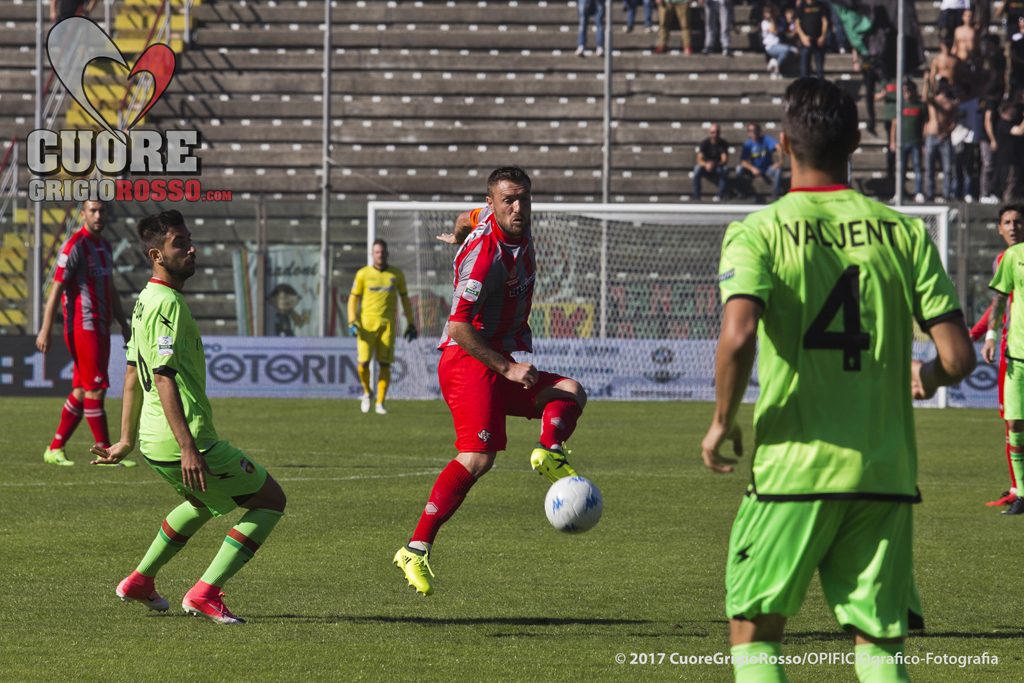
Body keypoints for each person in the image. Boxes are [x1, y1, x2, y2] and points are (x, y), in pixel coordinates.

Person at [702, 77, 975, 682]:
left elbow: (739, 334)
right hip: (884, 473)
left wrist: (722, 420)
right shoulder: (903, 232)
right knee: (877, 647)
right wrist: (926, 380)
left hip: (793, 470)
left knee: (755, 634)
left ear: (781, 144)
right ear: (856, 139)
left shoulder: (760, 230)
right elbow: (958, 358)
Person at [393, 166, 588, 597]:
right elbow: (459, 326)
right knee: (478, 457)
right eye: (508, 201)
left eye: (524, 199)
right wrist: (509, 369)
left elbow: (468, 217)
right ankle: (414, 548)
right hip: (468, 360)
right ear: (494, 203)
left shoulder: (494, 219)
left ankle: (549, 451)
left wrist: (455, 231)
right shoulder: (486, 257)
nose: (518, 208)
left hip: (496, 358)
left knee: (570, 392)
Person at [91, 210, 287, 624]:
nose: (191, 248)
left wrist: (125, 440)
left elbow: (131, 372)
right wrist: (188, 447)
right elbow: (161, 376)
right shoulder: (168, 304)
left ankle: (141, 580)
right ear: (156, 255)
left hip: (150, 441)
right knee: (270, 501)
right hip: (186, 438)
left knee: (199, 502)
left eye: (189, 239)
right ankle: (205, 593)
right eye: (180, 243)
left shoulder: (145, 299)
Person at [36, 200, 131, 467]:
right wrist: (45, 329)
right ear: (83, 214)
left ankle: (54, 448)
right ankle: (107, 452)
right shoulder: (74, 245)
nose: (98, 215)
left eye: (102, 210)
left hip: (101, 326)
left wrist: (123, 323)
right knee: (95, 390)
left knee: (81, 389)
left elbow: (110, 288)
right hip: (82, 326)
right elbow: (55, 289)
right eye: (93, 211)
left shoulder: (105, 246)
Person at [970, 205, 1024, 508]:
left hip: (1013, 347)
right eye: (1007, 222)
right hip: (1012, 350)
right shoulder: (1006, 260)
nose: (1013, 227)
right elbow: (998, 304)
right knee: (1012, 421)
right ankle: (1018, 487)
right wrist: (982, 336)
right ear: (999, 228)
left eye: (1018, 222)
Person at [347, 239, 418, 415]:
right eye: (377, 252)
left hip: (387, 325)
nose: (380, 255)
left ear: (387, 253)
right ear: (372, 254)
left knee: (384, 365)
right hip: (366, 326)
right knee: (363, 363)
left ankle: (380, 403)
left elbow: (405, 300)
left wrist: (410, 323)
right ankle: (366, 392)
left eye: (383, 252)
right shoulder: (363, 274)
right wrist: (351, 321)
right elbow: (353, 298)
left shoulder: (395, 274)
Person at [890, 79, 927, 202]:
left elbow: (925, 124)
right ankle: (899, 192)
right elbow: (894, 125)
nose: (907, 93)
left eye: (910, 90)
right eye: (905, 91)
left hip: (916, 141)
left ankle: (919, 192)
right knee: (901, 168)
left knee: (917, 167)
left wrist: (924, 142)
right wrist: (893, 141)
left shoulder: (920, 105)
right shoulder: (900, 105)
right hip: (902, 142)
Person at [923, 82, 958, 202]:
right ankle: (929, 193)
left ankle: (946, 193)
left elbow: (954, 121)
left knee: (947, 168)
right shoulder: (933, 102)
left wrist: (946, 132)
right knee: (929, 167)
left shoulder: (950, 104)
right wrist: (927, 81)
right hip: (931, 136)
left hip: (944, 138)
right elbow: (926, 97)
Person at [736, 122, 783, 201]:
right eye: (750, 131)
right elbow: (743, 161)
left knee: (778, 170)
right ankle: (741, 193)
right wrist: (752, 169)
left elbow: (779, 147)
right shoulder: (748, 144)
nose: (753, 133)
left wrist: (780, 162)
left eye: (755, 130)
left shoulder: (766, 139)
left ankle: (775, 194)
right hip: (754, 170)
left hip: (767, 169)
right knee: (739, 169)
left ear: (759, 131)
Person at [692, 123, 730, 201]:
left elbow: (724, 160)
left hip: (717, 167)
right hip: (705, 167)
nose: (715, 134)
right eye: (713, 132)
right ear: (709, 133)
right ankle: (696, 196)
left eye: (717, 132)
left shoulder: (723, 144)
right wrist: (706, 164)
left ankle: (720, 195)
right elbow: (699, 159)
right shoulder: (704, 143)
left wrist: (714, 164)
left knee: (725, 170)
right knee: (696, 169)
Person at [761, 4, 798, 75]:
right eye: (766, 13)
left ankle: (774, 62)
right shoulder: (764, 23)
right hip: (770, 46)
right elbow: (774, 30)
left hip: (777, 45)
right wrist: (772, 20)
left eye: (769, 13)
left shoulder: (776, 21)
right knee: (788, 49)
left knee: (792, 51)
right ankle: (775, 66)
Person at [795, 0, 828, 80]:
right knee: (804, 70)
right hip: (805, 41)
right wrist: (803, 37)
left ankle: (821, 89)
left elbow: (825, 21)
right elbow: (797, 23)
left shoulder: (821, 5)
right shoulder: (802, 5)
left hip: (818, 41)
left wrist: (823, 36)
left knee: (820, 70)